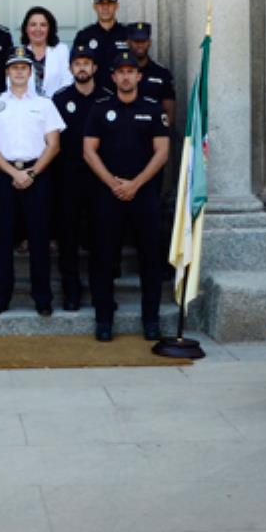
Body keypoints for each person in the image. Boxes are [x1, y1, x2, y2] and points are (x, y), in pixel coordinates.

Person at [82, 51, 171, 343]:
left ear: (139, 76)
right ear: (113, 76)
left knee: (150, 259)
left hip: (144, 194)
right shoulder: (100, 109)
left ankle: (151, 320)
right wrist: (114, 184)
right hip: (108, 194)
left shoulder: (153, 109)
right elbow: (88, 151)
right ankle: (104, 320)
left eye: (130, 71)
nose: (125, 76)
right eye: (120, 72)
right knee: (104, 258)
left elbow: (162, 152)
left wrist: (135, 184)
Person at [0, 46, 65, 316]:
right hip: (3, 175)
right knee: (2, 239)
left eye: (23, 67)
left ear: (31, 72)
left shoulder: (44, 104)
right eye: (14, 67)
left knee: (39, 238)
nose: (18, 72)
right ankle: (0, 297)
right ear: (7, 72)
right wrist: (14, 173)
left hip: (37, 174)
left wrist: (32, 173)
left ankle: (42, 298)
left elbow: (54, 145)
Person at [51, 44, 111, 311]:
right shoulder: (60, 99)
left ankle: (102, 292)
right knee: (68, 236)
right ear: (70, 68)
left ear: (95, 67)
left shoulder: (108, 98)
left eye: (87, 63)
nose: (82, 68)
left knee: (101, 236)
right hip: (68, 178)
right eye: (77, 63)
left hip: (101, 178)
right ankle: (71, 292)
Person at [9, 6, 72, 97]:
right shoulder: (18, 53)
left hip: (56, 103)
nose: (38, 29)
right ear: (26, 28)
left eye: (43, 25)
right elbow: (11, 83)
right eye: (33, 25)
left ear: (49, 28)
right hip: (25, 103)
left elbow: (67, 80)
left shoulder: (61, 50)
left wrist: (56, 101)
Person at [71, 0, 128, 78]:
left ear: (117, 6)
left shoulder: (127, 34)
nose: (105, 7)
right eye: (101, 3)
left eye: (109, 3)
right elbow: (75, 65)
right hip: (93, 87)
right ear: (94, 7)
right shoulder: (84, 36)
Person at [126, 20, 177, 125]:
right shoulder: (119, 73)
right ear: (128, 43)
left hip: (154, 130)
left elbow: (169, 115)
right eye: (136, 41)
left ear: (149, 42)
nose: (140, 45)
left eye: (143, 41)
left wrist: (159, 132)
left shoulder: (162, 74)